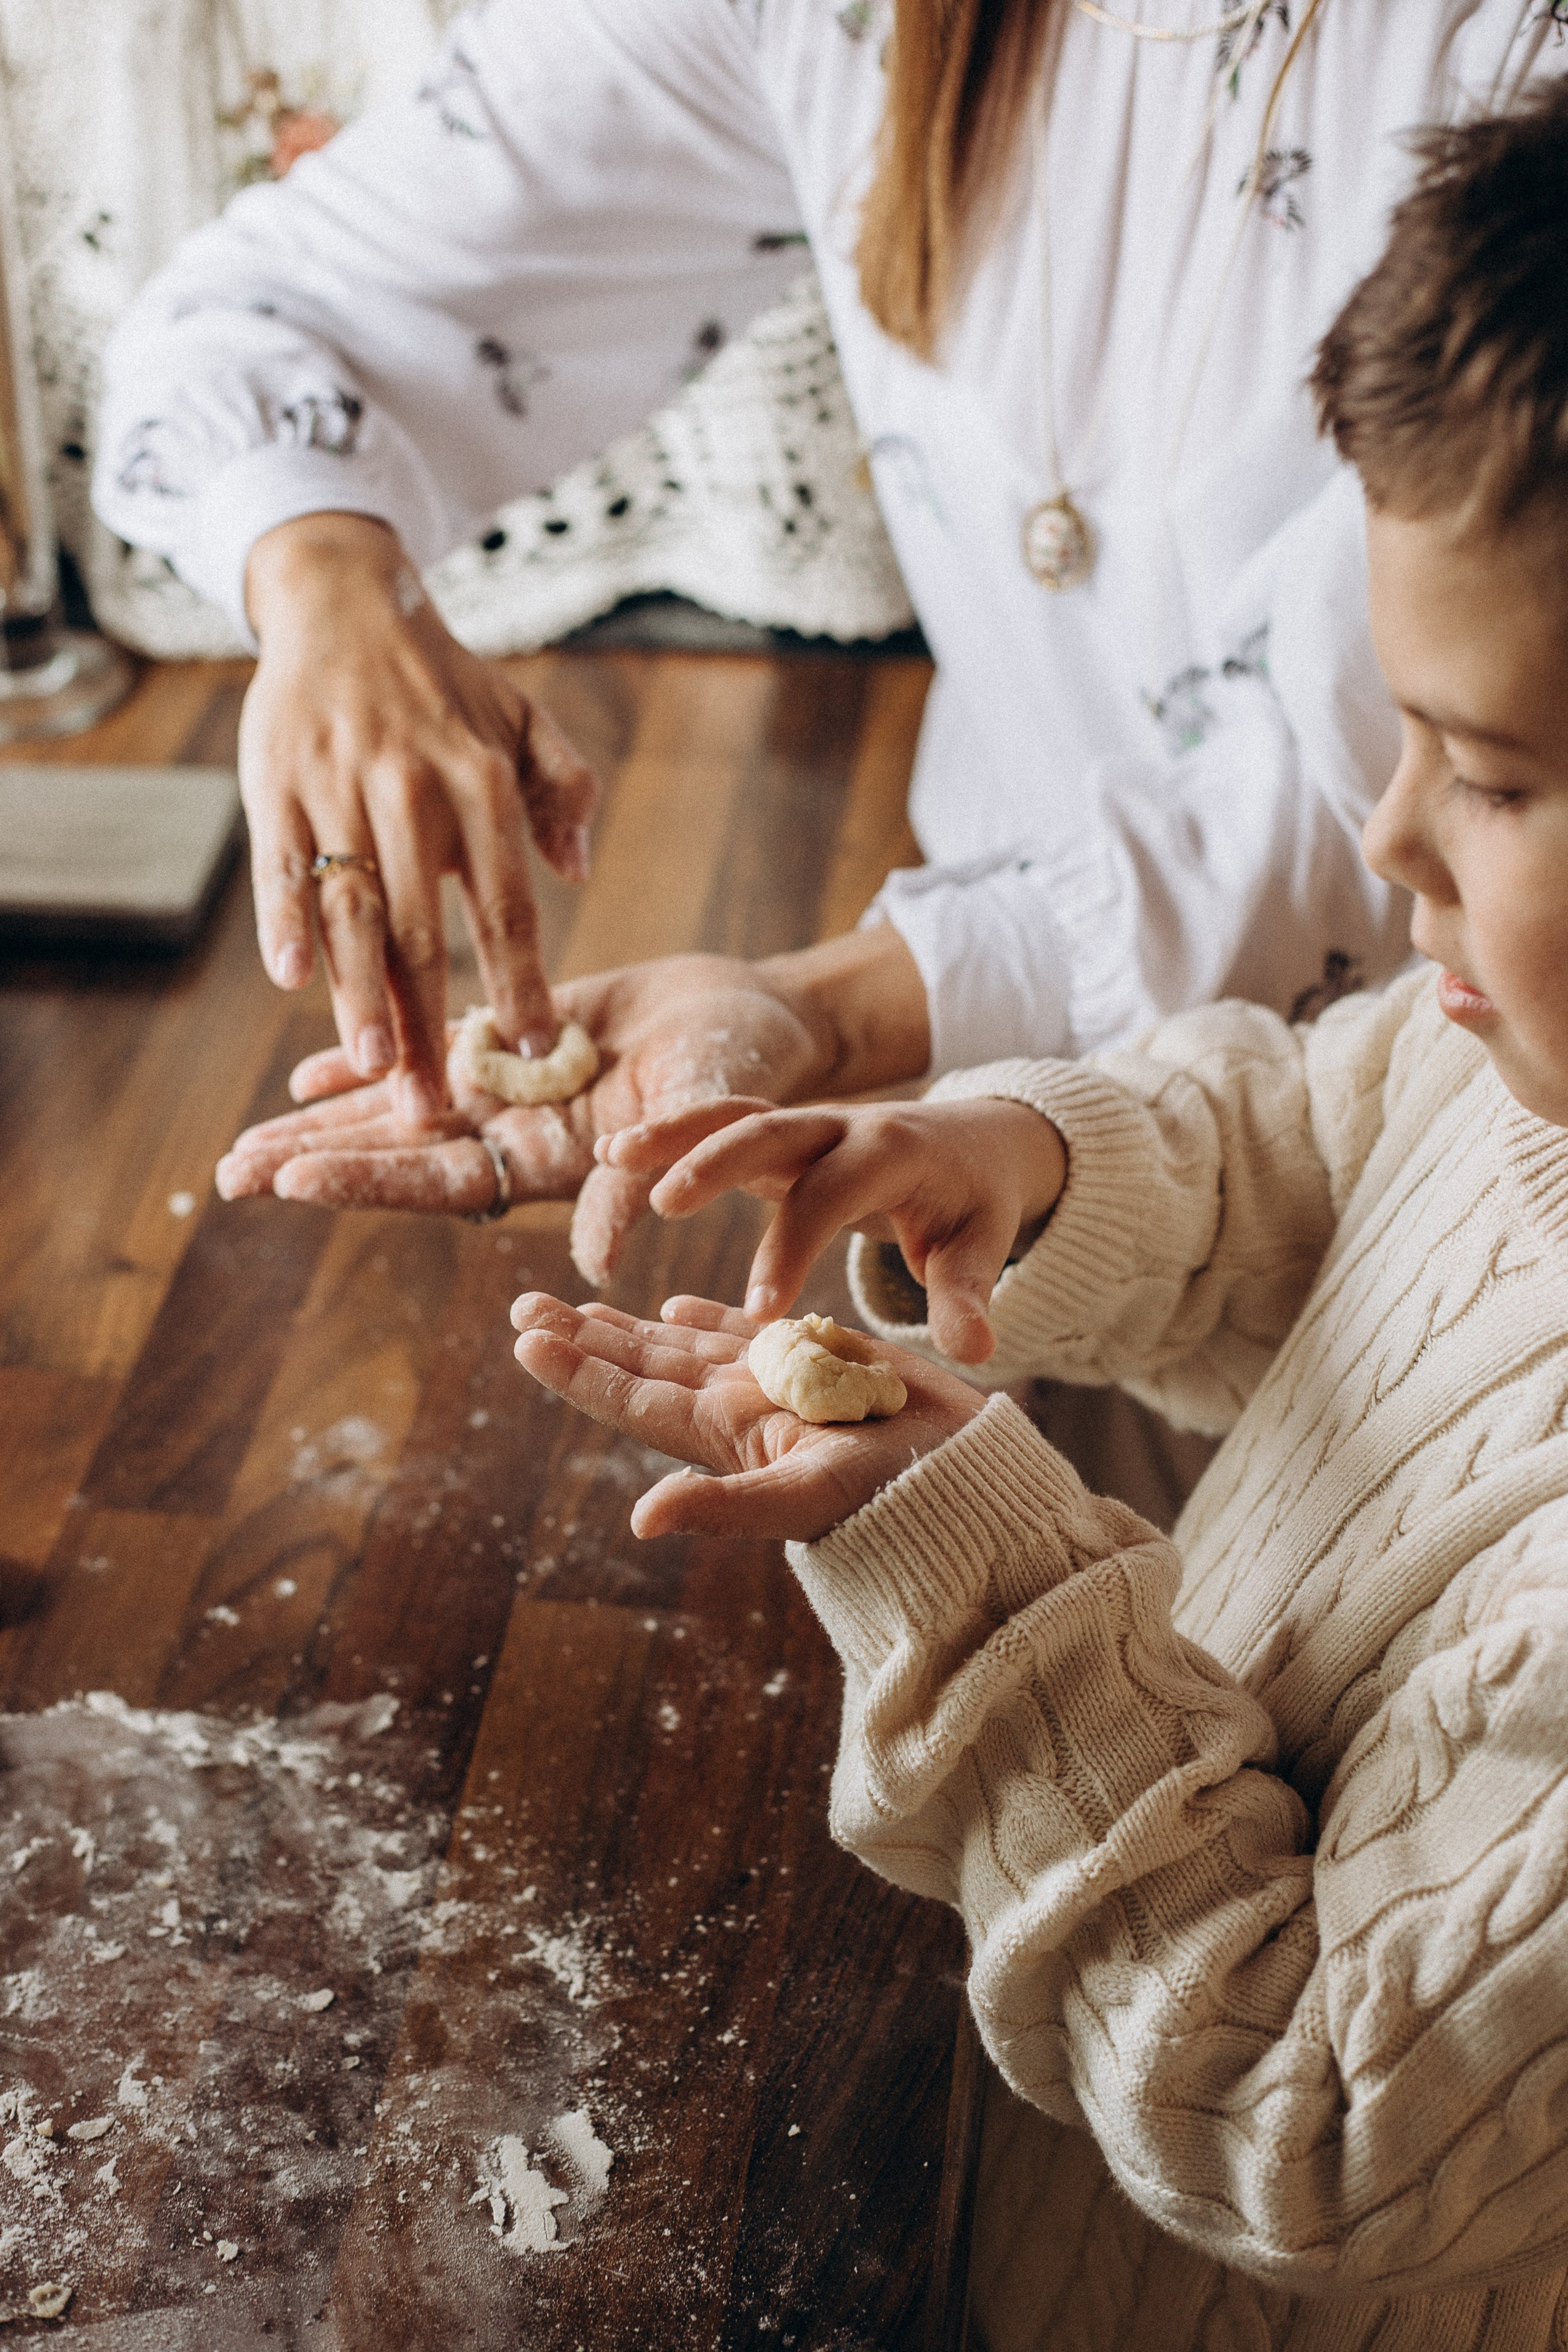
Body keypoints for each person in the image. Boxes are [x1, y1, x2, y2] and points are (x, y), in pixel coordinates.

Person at [510, 85, 1568, 2347]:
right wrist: (1031, 1161)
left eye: (1489, 775)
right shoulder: (1516, 1047)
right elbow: (1316, 1140)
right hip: (1064, 2207)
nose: (1390, 841)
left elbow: (1315, 2122)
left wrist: (971, 1564)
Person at [98, 2, 1561, 1274]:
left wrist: (819, 1008)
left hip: (1449, 1140)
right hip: (989, 1150)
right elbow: (266, 309)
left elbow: (1361, 791)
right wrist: (329, 588)